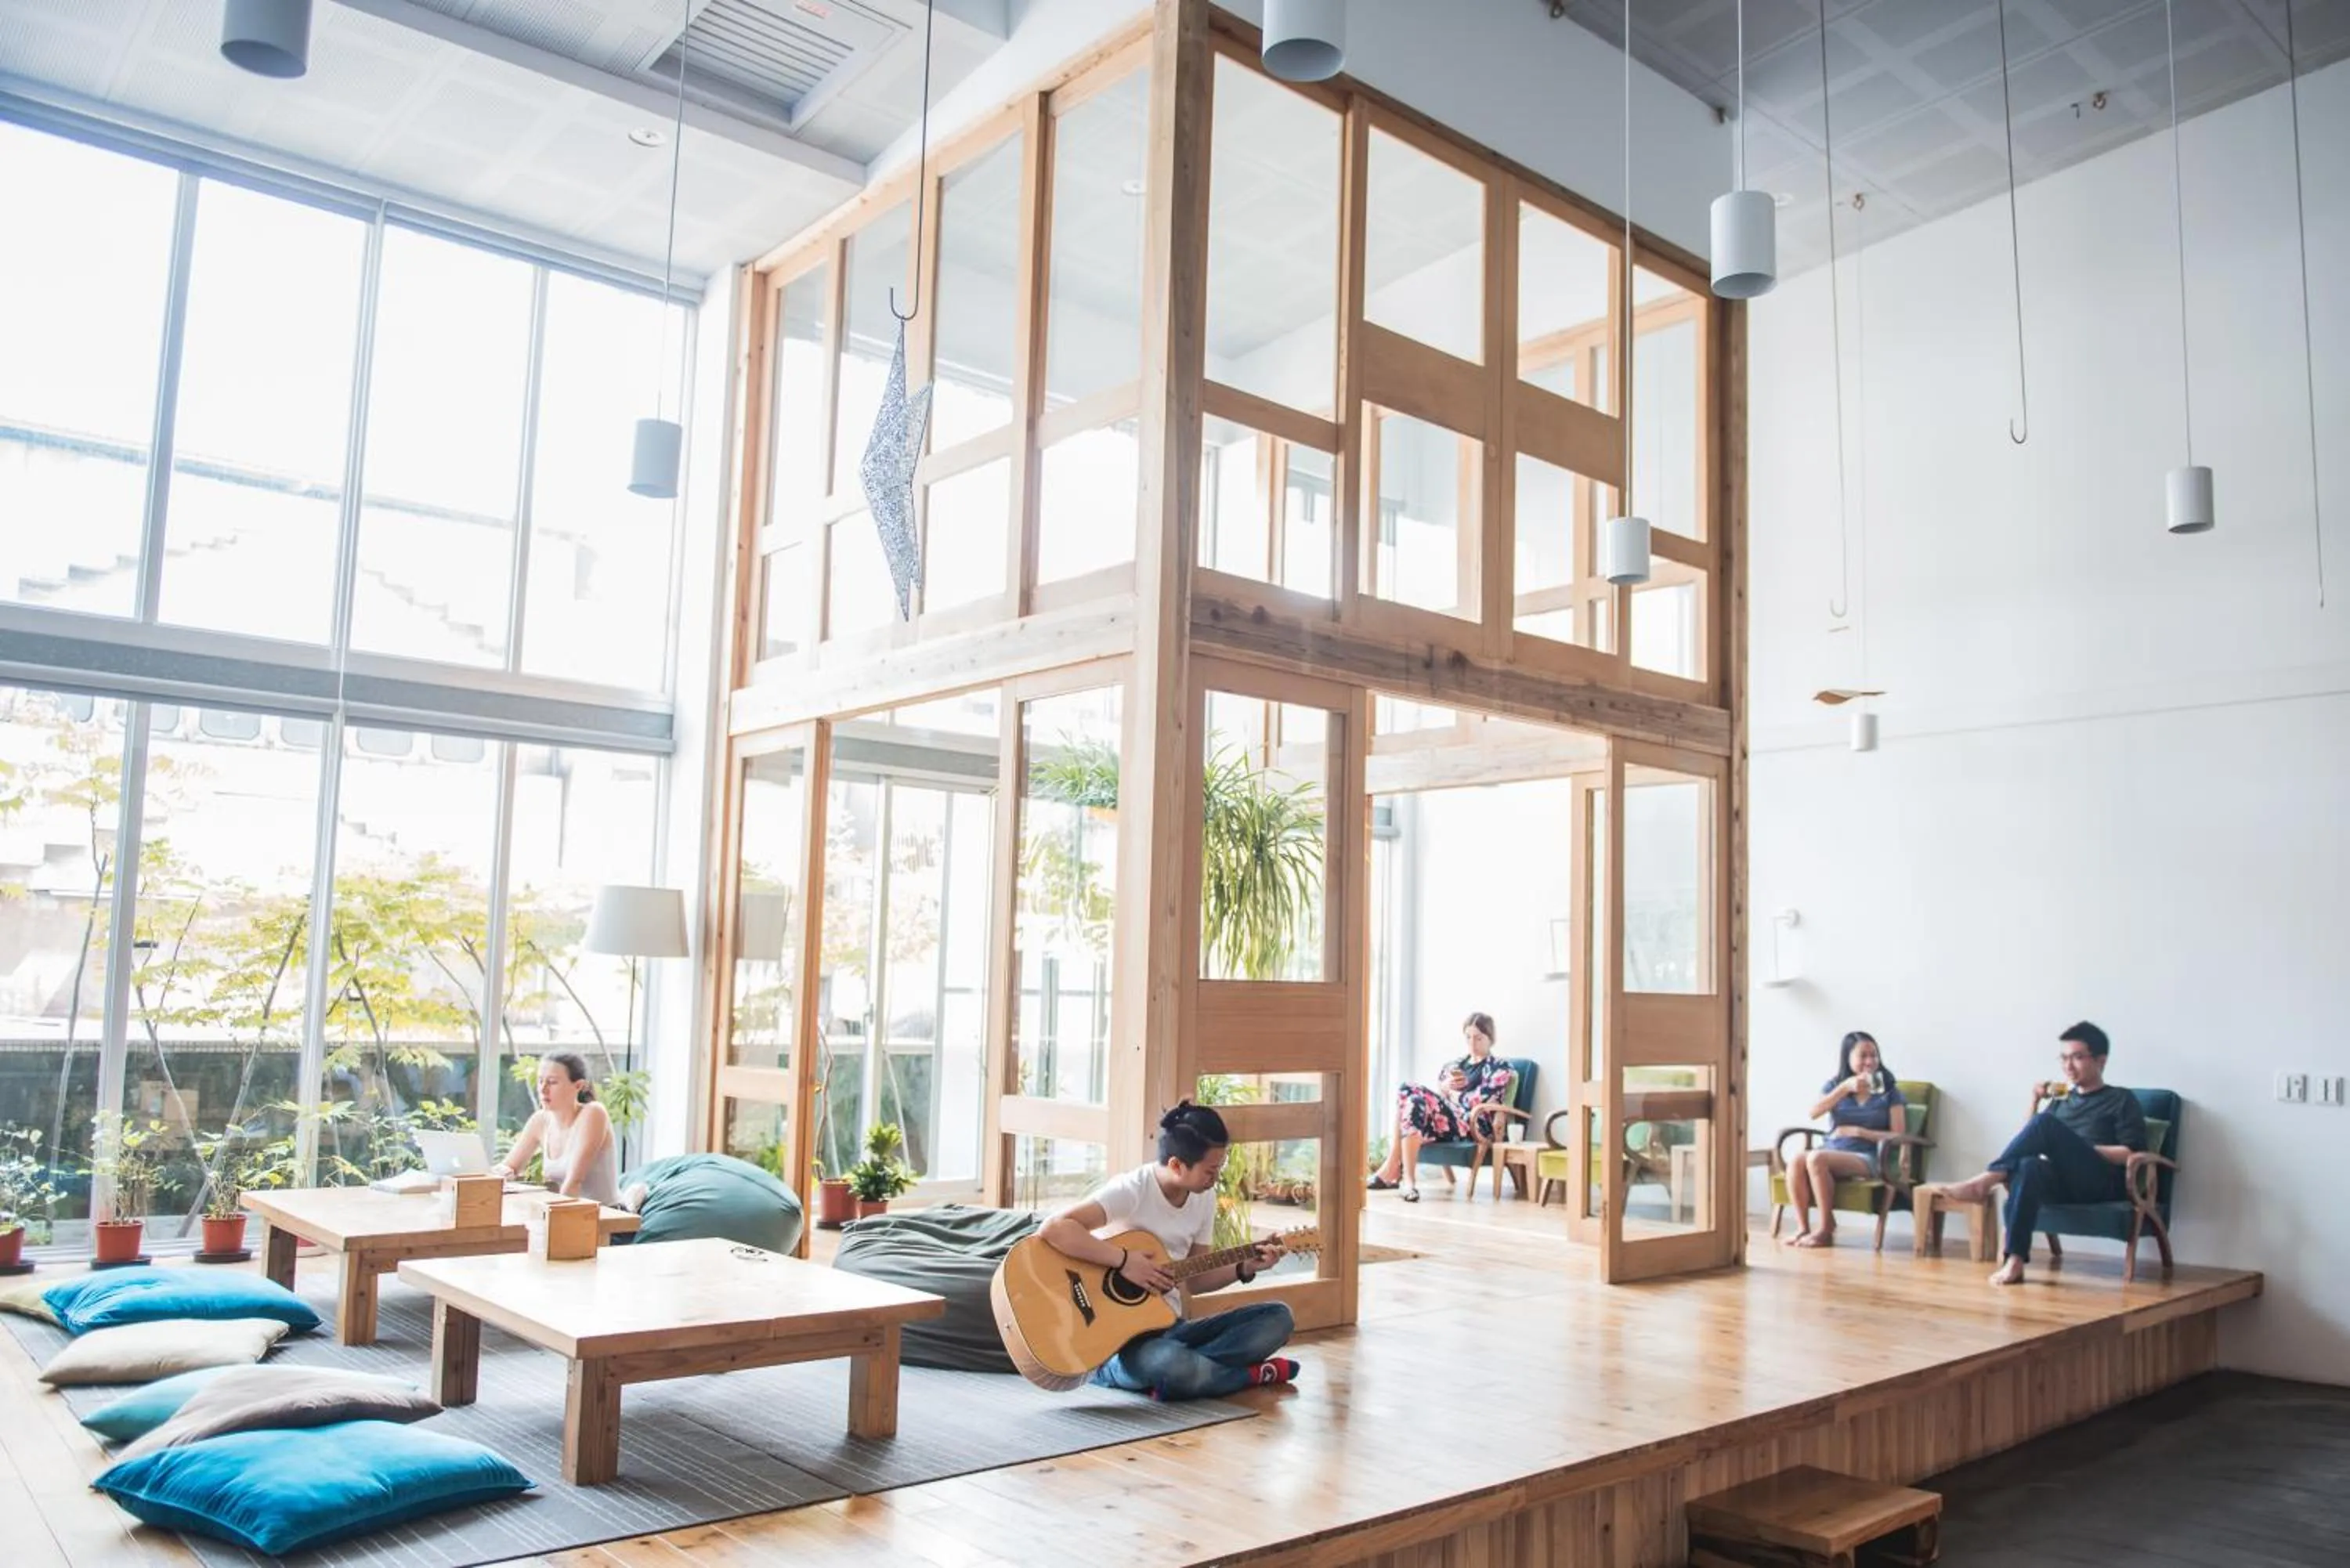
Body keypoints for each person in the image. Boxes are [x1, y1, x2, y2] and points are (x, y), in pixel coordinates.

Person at [1036, 1102, 1298, 1402]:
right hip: (1116, 1344)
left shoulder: (1204, 1198)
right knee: (1167, 1362)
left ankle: (1184, 1375)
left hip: (1168, 1329)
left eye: (1220, 1168)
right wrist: (1123, 1261)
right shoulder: (1132, 1190)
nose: (1216, 1178)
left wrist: (1244, 1268)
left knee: (1278, 1318)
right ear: (1176, 1165)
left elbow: (1195, 1281)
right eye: (1211, 1170)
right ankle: (1240, 1376)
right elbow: (1054, 1228)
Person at [1941, 1021, 2147, 1288]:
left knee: (2045, 1125)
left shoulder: (2122, 1099)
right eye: (2064, 1058)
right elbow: (2029, 1139)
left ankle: (1985, 1181)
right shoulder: (2061, 1100)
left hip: (2100, 1182)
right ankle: (2014, 1261)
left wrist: (2079, 1148)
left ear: (2101, 1060)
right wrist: (2035, 1101)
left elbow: (2132, 1153)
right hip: (2063, 1181)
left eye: (2077, 1057)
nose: (2068, 1066)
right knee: (2028, 1165)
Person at [1368, 1012, 1513, 1202]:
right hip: (1447, 1122)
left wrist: (1454, 1095)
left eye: (1478, 1038)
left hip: (1472, 1125)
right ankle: (1409, 1182)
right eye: (1468, 1037)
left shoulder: (1501, 1067)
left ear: (1490, 1039)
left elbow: (1482, 1099)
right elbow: (1441, 1095)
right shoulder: (1454, 1066)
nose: (1472, 1043)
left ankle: (1393, 1168)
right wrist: (1445, 1088)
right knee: (1413, 1103)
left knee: (1408, 1089)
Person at [1784, 1031, 1907, 1248]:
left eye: (1874, 1055)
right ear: (1848, 1058)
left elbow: (1899, 1135)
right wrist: (1844, 1088)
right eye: (1863, 1056)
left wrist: (1861, 1133)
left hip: (1868, 1156)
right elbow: (1814, 1112)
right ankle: (1803, 1227)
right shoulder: (1835, 1086)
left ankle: (1825, 1230)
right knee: (1796, 1160)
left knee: (1816, 1159)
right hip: (1833, 1149)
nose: (1870, 1061)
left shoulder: (1889, 1091)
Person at [494, 1052, 623, 1207]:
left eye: (552, 1082)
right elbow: (511, 1167)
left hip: (609, 1218)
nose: (543, 1089)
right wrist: (497, 1174)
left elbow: (574, 1182)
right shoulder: (540, 1120)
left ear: (578, 1086)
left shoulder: (594, 1113)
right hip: (573, 1214)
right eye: (541, 1081)